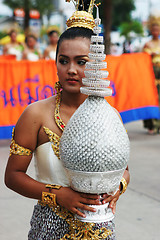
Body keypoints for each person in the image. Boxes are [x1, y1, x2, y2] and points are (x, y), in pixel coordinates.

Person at [5, 1, 130, 239]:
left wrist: (117, 189)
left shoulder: (109, 115)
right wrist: (58, 194)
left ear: (96, 64)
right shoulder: (35, 114)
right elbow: (13, 176)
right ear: (55, 63)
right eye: (64, 61)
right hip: (50, 227)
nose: (71, 69)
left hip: (99, 226)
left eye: (81, 62)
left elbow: (123, 171)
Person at [143, 17, 160, 134]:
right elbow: (142, 60)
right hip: (151, 73)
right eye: (153, 30)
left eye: (157, 30)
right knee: (151, 98)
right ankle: (151, 125)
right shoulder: (147, 44)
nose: (155, 32)